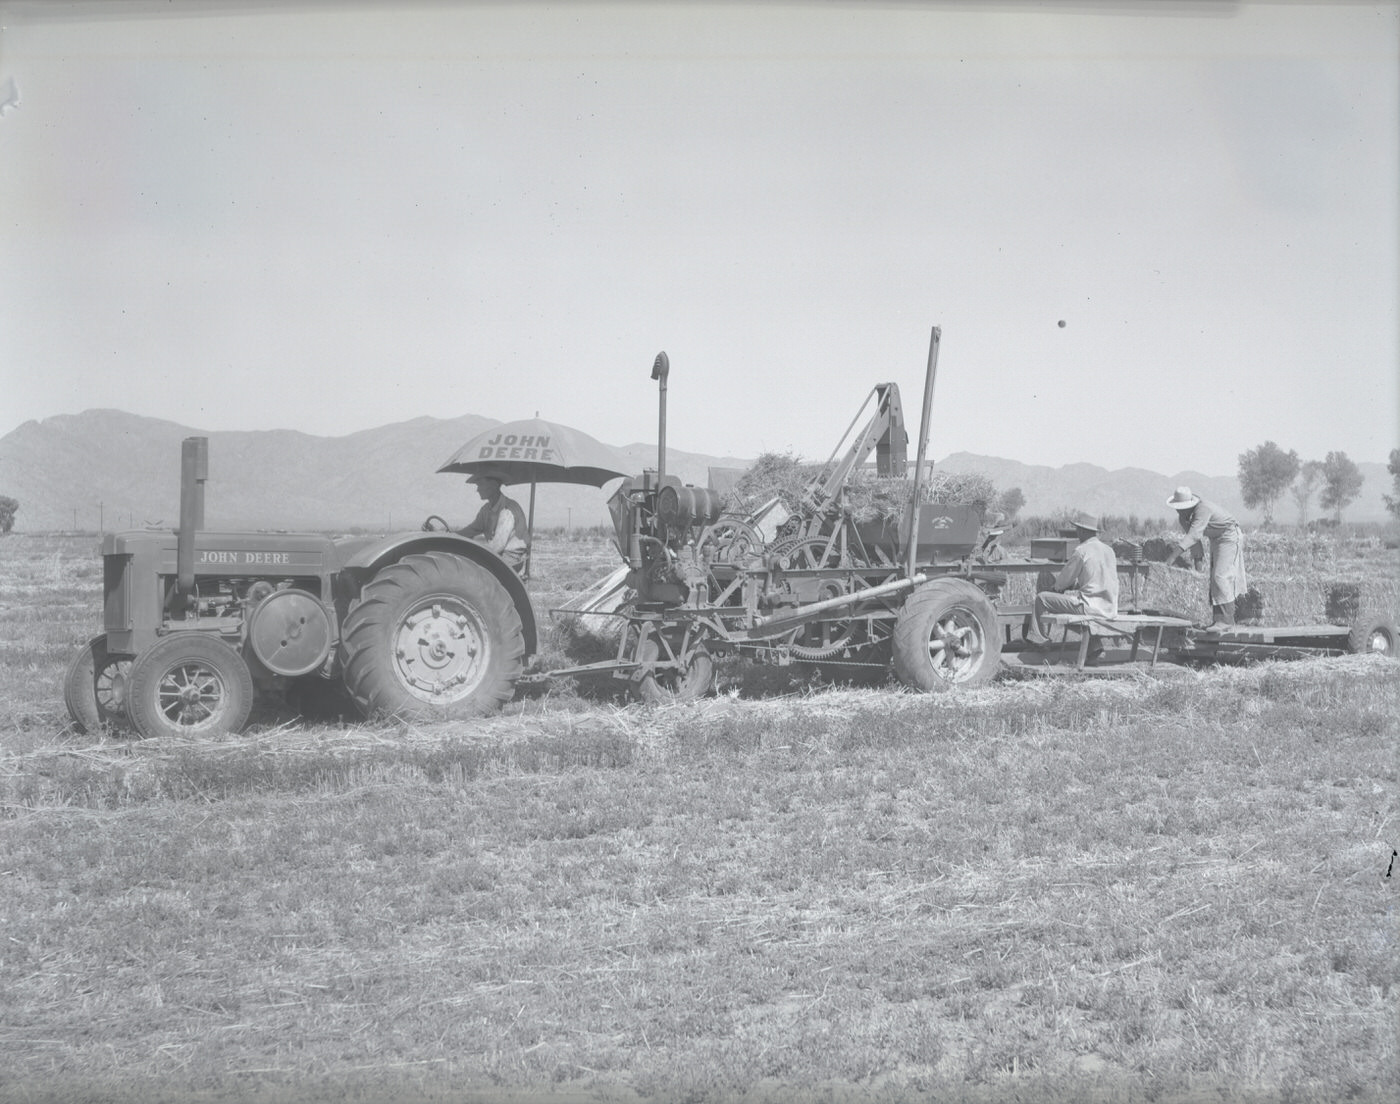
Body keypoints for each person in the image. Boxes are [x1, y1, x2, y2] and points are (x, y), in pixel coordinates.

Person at [1024, 512, 1119, 662]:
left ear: (1082, 531)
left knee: (1042, 599)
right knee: (1077, 612)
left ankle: (1040, 641)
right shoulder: (1109, 550)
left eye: (1077, 529)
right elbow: (1096, 579)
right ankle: (1095, 647)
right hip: (1109, 608)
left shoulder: (1082, 550)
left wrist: (1055, 588)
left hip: (1090, 606)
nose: (1076, 532)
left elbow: (1062, 581)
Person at [1166, 486, 1245, 629]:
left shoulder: (1203, 509)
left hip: (1229, 536)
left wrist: (1171, 558)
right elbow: (1195, 544)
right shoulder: (1184, 518)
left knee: (1221, 576)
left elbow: (1193, 536)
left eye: (1181, 508)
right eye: (1177, 508)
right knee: (1214, 578)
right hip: (1217, 539)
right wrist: (1198, 571)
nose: (1179, 511)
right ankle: (1218, 620)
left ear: (1189, 505)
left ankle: (1226, 621)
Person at [457, 469, 528, 574]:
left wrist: (471, 554)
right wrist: (449, 535)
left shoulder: (508, 510)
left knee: (469, 570)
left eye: (480, 485)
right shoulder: (486, 510)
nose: (478, 490)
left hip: (511, 559)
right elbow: (472, 529)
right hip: (499, 554)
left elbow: (497, 546)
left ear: (493, 486)